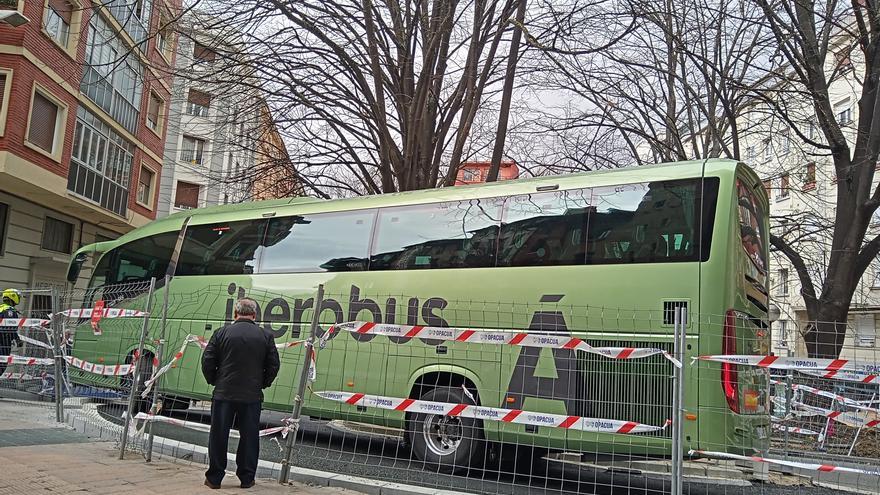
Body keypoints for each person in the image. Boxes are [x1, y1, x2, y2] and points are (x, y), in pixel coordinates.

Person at [201, 298, 280, 489]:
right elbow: (273, 365)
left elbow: (207, 361)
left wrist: (215, 381)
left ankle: (214, 478)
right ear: (254, 315)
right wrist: (263, 384)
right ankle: (247, 478)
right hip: (251, 396)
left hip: (224, 394)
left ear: (235, 314)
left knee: (219, 435)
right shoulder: (266, 336)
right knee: (249, 437)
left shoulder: (221, 333)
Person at [0, 289, 22, 375]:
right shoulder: (10, 311)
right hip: (3, 342)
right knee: (1, 366)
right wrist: (17, 339)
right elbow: (9, 328)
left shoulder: (1, 308)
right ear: (13, 297)